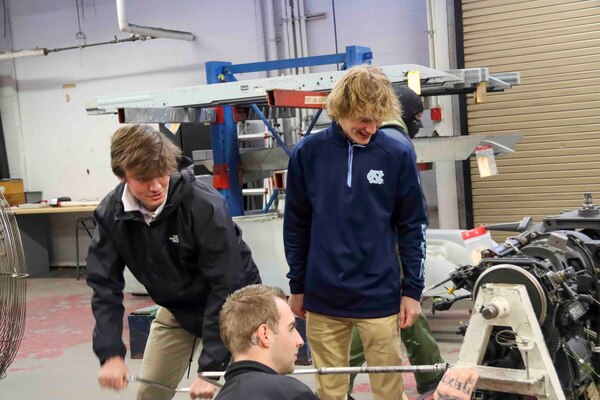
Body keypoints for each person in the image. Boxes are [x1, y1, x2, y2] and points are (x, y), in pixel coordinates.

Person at [284, 64, 428, 400]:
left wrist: (413, 291)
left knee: (389, 391)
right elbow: (296, 224)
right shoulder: (308, 153)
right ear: (342, 110)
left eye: (378, 119)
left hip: (380, 297)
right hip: (323, 296)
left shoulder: (396, 153)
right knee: (330, 392)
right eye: (364, 120)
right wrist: (297, 286)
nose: (371, 127)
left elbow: (413, 226)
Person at [86, 124, 261, 400]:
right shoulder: (111, 214)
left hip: (236, 306)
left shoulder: (203, 205)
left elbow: (226, 285)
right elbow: (104, 286)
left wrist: (211, 368)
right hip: (178, 309)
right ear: (123, 177)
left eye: (161, 175)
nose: (155, 186)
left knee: (237, 393)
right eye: (143, 178)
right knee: (150, 393)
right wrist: (110, 354)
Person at [347, 85, 445, 397]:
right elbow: (409, 210)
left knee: (399, 311)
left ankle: (431, 371)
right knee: (382, 314)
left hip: (365, 245)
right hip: (387, 246)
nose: (419, 122)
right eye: (417, 115)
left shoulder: (372, 139)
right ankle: (335, 385)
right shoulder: (396, 142)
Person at [216, 284, 318, 400]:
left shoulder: (222, 396)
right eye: (291, 329)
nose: (299, 341)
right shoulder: (292, 394)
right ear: (264, 335)